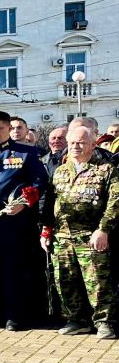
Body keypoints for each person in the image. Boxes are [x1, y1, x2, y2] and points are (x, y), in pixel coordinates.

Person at [0, 111, 48, 330]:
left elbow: (39, 182)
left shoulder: (25, 153)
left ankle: (13, 315)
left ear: (8, 129)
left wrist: (24, 203)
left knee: (11, 270)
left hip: (13, 224)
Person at [41, 126, 119, 339]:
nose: (75, 146)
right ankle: (76, 319)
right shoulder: (60, 171)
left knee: (98, 282)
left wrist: (103, 229)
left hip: (91, 236)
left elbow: (115, 202)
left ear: (93, 145)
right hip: (63, 237)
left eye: (81, 143)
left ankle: (104, 322)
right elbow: (49, 203)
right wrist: (46, 230)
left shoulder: (106, 169)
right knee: (65, 280)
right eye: (72, 142)